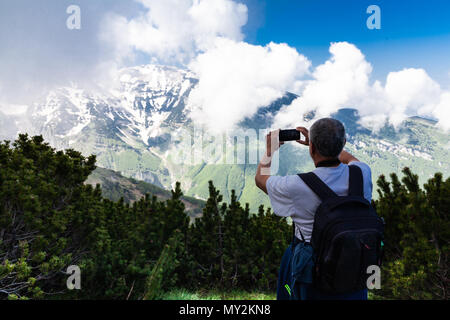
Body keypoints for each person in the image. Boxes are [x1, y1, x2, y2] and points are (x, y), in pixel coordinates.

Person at [254, 118, 373, 300]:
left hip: (315, 275)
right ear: (343, 143)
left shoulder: (297, 185)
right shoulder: (362, 173)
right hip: (354, 267)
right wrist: (319, 143)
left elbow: (261, 179)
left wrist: (270, 150)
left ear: (312, 149)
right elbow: (349, 159)